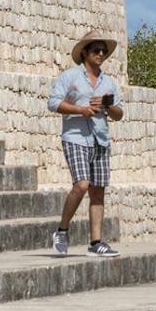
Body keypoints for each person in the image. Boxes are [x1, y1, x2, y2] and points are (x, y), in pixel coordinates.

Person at [49, 31, 125, 259]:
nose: (101, 54)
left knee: (98, 192)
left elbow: (119, 114)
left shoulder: (108, 83)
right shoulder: (70, 77)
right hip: (75, 137)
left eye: (104, 51)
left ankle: (96, 242)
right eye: (96, 50)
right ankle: (62, 230)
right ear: (85, 52)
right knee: (81, 185)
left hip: (100, 139)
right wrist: (81, 110)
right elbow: (53, 103)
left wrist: (107, 105)